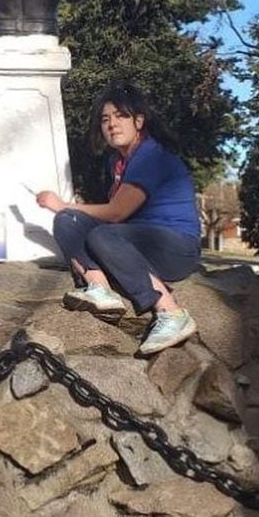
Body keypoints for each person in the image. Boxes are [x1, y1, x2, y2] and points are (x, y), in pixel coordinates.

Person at [35, 83, 201, 355]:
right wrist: (66, 211)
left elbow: (116, 213)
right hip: (135, 240)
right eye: (105, 119)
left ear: (139, 121)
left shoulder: (151, 156)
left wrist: (62, 203)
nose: (111, 124)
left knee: (98, 230)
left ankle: (171, 313)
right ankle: (100, 289)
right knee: (68, 220)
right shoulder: (117, 162)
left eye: (120, 116)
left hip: (176, 248)